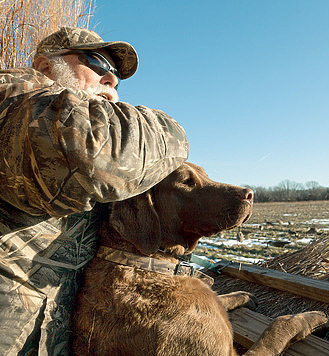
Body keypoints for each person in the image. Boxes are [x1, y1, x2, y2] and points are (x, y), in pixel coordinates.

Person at [0, 27, 189, 355]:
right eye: (98, 63)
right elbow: (96, 153)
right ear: (46, 67)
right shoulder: (11, 97)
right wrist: (177, 134)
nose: (112, 81)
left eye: (116, 76)